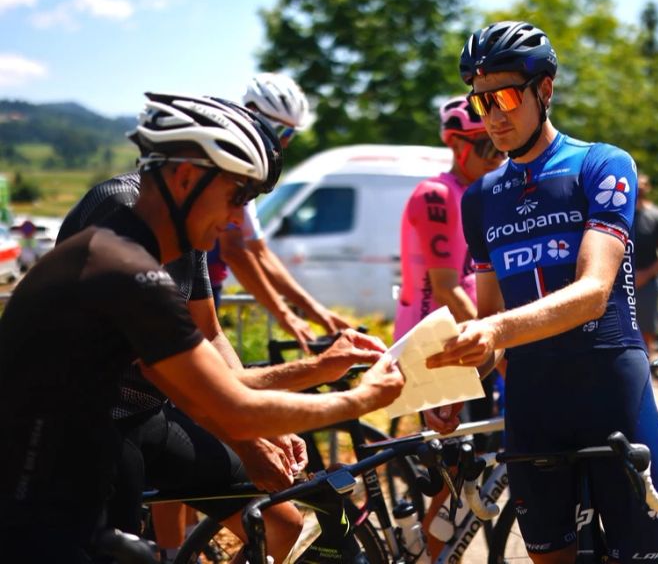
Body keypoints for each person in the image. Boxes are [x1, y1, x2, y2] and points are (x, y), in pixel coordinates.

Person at [0, 93, 404, 562]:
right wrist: (362, 398)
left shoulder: (152, 241)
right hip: (40, 484)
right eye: (237, 197)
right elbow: (225, 403)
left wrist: (320, 368)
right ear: (187, 177)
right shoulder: (122, 259)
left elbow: (215, 372)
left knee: (278, 518)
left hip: (102, 436)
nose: (238, 220)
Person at [425, 20, 658, 563]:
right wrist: (452, 384)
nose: (493, 114)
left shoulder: (601, 164)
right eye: (481, 100)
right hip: (534, 400)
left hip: (609, 384)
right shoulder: (482, 198)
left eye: (507, 96)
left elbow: (592, 292)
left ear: (546, 88)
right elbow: (489, 322)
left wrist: (492, 328)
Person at [395, 95, 504, 557]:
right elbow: (445, 287)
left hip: (462, 338)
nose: (497, 158)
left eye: (499, 147)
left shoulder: (478, 195)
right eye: (486, 148)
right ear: (457, 146)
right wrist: (501, 339)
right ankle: (423, 556)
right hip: (433, 341)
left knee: (471, 468)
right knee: (453, 477)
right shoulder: (436, 195)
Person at [210, 72, 351, 349]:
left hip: (207, 287)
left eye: (292, 134)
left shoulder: (252, 170)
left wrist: (314, 311)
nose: (284, 142)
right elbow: (235, 250)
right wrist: (284, 315)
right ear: (251, 114)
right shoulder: (228, 165)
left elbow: (260, 253)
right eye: (282, 131)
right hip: (185, 287)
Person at [633, 174, 658, 352]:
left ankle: (646, 368)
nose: (640, 188)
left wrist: (645, 275)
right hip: (619, 280)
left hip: (647, 282)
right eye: (637, 184)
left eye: (644, 185)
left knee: (647, 329)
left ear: (648, 188)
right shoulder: (620, 213)